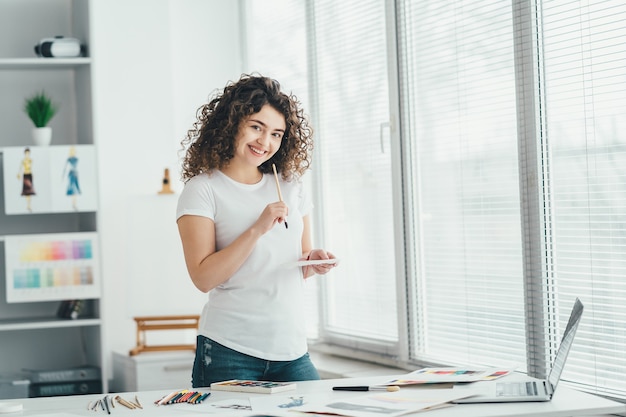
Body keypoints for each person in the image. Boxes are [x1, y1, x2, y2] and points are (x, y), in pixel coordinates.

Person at [176, 74, 338, 388]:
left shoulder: (290, 187)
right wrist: (257, 228)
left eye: (276, 133)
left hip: (291, 349)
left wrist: (313, 260)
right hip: (228, 350)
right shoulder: (202, 190)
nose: (265, 142)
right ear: (231, 123)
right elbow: (203, 277)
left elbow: (296, 264)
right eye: (256, 127)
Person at [17, 147, 36, 211]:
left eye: (28, 153)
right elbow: (20, 168)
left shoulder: (31, 160)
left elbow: (32, 168)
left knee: (29, 191)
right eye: (26, 153)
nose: (27, 154)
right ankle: (28, 205)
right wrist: (19, 174)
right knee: (26, 191)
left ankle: (29, 205)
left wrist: (33, 174)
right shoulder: (23, 161)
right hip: (25, 175)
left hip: (29, 175)